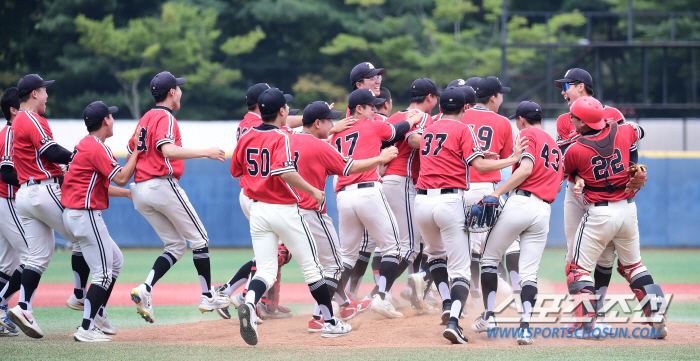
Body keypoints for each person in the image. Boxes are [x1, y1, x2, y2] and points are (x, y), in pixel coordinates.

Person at [231, 88, 352, 344]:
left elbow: (236, 171)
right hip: (284, 209)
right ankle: (329, 322)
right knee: (313, 268)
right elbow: (285, 172)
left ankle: (250, 304)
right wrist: (312, 190)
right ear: (282, 111)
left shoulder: (247, 136)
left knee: (266, 270)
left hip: (258, 209)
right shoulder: (283, 137)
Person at [412, 87, 526, 344]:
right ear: (465, 108)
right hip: (449, 201)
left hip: (421, 200)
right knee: (461, 270)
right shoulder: (464, 129)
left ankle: (445, 303)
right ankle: (454, 322)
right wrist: (512, 159)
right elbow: (481, 166)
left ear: (441, 108)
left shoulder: (429, 128)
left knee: (434, 255)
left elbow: (419, 142)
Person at [127, 71, 229, 324]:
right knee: (200, 239)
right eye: (179, 88)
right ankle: (207, 296)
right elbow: (168, 149)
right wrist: (205, 152)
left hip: (140, 189)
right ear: (171, 92)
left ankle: (145, 289)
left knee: (174, 245)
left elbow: (132, 150)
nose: (180, 91)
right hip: (160, 184)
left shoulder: (145, 119)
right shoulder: (165, 117)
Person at [562, 96, 667, 339]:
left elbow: (568, 171)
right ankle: (657, 315)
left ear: (585, 122)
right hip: (628, 210)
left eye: (575, 118)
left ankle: (587, 324)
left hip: (600, 213)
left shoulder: (576, 148)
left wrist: (578, 180)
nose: (572, 121)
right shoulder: (625, 130)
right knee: (635, 266)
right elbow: (640, 131)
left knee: (577, 269)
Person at [292, 101, 398, 329]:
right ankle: (321, 317)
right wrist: (380, 159)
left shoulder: (289, 140)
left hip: (290, 212)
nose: (334, 123)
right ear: (318, 123)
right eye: (329, 120)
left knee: (333, 262)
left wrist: (330, 132)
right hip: (313, 211)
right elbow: (348, 167)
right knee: (336, 266)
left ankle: (344, 304)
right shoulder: (321, 146)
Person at [470, 101, 563, 345]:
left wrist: (497, 193)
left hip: (521, 202)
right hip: (544, 210)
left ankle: (489, 316)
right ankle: (524, 329)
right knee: (529, 275)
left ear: (521, 119)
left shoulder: (526, 133)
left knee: (489, 259)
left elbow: (525, 170)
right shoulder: (555, 145)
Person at [4, 74, 89, 339]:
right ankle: (83, 300)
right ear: (33, 94)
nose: (47, 95)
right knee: (85, 234)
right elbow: (50, 151)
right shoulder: (31, 119)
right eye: (44, 90)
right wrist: (78, 157)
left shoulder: (17, 123)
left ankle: (25, 307)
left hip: (25, 194)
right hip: (40, 190)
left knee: (37, 256)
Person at [332, 88, 422, 319]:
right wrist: (409, 120)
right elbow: (395, 132)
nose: (375, 109)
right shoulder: (371, 124)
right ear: (358, 109)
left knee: (347, 256)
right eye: (371, 106)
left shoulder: (336, 134)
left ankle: (335, 302)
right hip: (368, 191)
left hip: (343, 195)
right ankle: (382, 297)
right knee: (393, 248)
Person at [554, 68, 633, 328]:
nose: (563, 91)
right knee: (573, 253)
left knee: (606, 256)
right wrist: (576, 179)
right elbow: (569, 161)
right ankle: (583, 314)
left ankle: (597, 312)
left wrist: (631, 174)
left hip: (607, 193)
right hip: (576, 194)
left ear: (580, 86)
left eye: (566, 85)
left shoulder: (612, 115)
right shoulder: (565, 120)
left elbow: (627, 152)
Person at [62, 101, 140, 342]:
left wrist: (126, 194)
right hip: (85, 215)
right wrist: (138, 149)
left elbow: (101, 186)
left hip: (74, 214)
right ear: (105, 121)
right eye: (111, 116)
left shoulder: (84, 146)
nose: (113, 119)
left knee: (115, 261)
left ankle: (97, 315)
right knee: (103, 274)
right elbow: (123, 177)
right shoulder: (98, 148)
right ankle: (86, 328)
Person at [462, 76, 521, 303]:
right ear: (493, 97)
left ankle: (474, 295)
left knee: (470, 247)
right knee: (511, 241)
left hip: (460, 189)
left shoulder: (461, 116)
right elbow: (506, 157)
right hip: (487, 189)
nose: (502, 98)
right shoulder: (502, 122)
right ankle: (515, 290)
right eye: (500, 94)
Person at [0, 87, 24, 337]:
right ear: (13, 110)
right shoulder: (10, 132)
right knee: (33, 256)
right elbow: (6, 173)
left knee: (7, 264)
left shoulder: (19, 131)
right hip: (7, 200)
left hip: (7, 201)